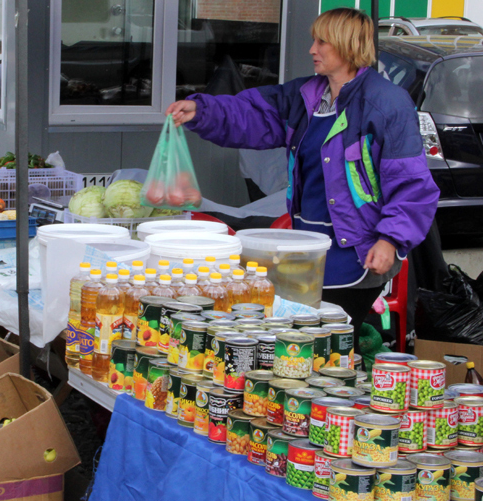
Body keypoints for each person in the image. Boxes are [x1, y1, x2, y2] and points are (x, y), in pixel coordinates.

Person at [167, 8, 440, 349]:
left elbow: (413, 186)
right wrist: (202, 111)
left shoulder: (387, 104)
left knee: (328, 342)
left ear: (348, 45)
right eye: (313, 40)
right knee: (303, 343)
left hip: (356, 252)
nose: (312, 49)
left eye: (322, 42)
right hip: (308, 250)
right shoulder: (307, 97)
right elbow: (252, 113)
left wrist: (390, 240)